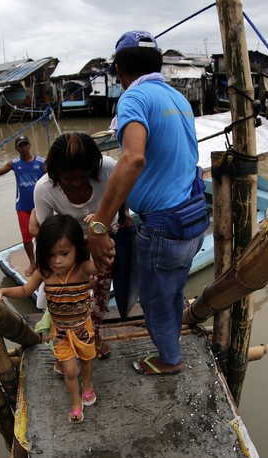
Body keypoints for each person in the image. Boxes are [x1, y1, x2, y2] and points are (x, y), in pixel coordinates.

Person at [87, 31, 207, 376]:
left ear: (119, 69)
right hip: (193, 218)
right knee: (172, 292)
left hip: (165, 227)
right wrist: (125, 211)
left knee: (155, 302)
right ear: (157, 64)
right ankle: (172, 347)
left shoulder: (134, 98)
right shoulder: (177, 98)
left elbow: (133, 159)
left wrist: (99, 226)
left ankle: (169, 360)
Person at [31, 132, 134, 360]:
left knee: (100, 292)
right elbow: (45, 234)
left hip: (106, 233)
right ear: (56, 173)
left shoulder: (106, 167)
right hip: (72, 242)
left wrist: (123, 211)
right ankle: (67, 333)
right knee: (71, 291)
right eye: (70, 179)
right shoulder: (44, 189)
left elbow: (123, 186)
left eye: (83, 176)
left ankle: (93, 334)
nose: (77, 182)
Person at [0, 215, 98, 423]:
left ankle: (87, 384)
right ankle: (76, 402)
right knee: (70, 370)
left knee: (86, 359)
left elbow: (103, 264)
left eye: (64, 253)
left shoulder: (84, 269)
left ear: (77, 249)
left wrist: (99, 231)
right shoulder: (45, 272)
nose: (57, 260)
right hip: (59, 332)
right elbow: (25, 290)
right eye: (51, 254)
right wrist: (3, 290)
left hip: (82, 328)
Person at [0, 135, 45, 276]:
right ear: (16, 148)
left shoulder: (42, 162)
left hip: (40, 205)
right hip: (23, 206)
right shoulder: (14, 164)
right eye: (20, 146)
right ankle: (32, 262)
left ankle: (45, 259)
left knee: (44, 234)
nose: (23, 148)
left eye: (25, 145)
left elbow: (54, 176)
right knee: (27, 237)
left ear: (29, 145)